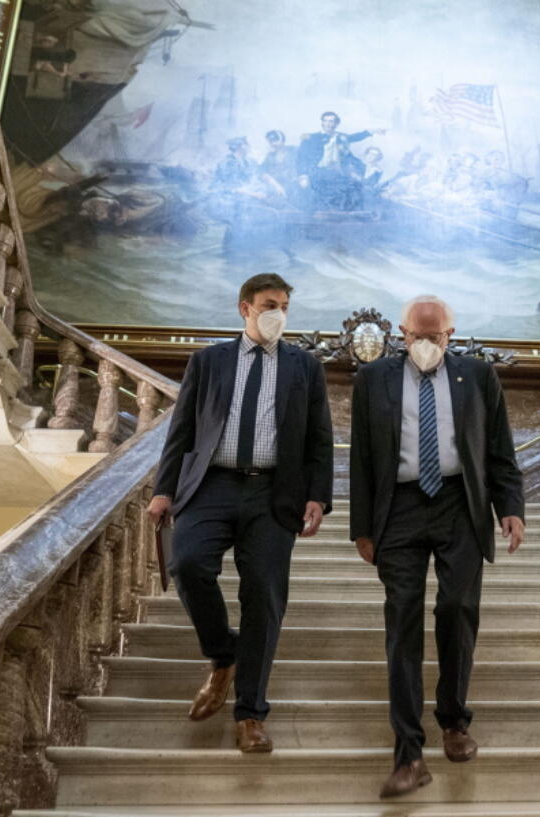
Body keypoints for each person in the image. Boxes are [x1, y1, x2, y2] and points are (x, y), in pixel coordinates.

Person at [147, 273, 333, 753]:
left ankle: (251, 713)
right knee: (187, 565)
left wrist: (318, 496)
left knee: (264, 598)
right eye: (270, 304)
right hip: (210, 486)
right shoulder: (208, 361)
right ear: (244, 309)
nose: (279, 314)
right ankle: (222, 654)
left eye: (286, 306)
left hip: (274, 493)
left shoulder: (304, 366)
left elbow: (319, 437)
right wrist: (163, 489)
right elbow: (182, 429)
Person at [349, 295, 526, 799]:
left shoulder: (478, 375)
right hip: (398, 509)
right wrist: (362, 527)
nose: (425, 345)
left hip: (459, 505)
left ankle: (453, 720)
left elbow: (499, 451)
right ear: (401, 334)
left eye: (436, 336)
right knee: (401, 619)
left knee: (457, 608)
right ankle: (408, 752)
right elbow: (361, 456)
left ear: (452, 334)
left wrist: (510, 507)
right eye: (416, 336)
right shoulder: (374, 379)